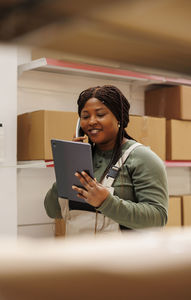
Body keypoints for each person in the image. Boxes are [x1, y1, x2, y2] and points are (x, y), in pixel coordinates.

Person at [44, 85, 168, 234]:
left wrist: (106, 202)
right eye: (85, 116)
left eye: (100, 114)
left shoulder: (143, 158)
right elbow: (53, 211)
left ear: (119, 118)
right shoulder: (81, 158)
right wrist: (67, 166)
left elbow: (158, 218)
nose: (91, 122)